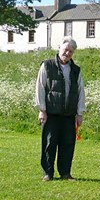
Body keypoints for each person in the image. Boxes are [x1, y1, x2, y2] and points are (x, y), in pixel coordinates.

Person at [35, 36, 86, 181]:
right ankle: (48, 173)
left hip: (69, 115)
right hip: (51, 113)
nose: (67, 53)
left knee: (68, 144)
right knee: (49, 144)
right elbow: (40, 87)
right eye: (65, 50)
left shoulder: (76, 70)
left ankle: (65, 173)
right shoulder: (47, 65)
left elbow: (81, 91)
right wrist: (42, 109)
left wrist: (79, 113)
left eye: (71, 51)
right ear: (59, 49)